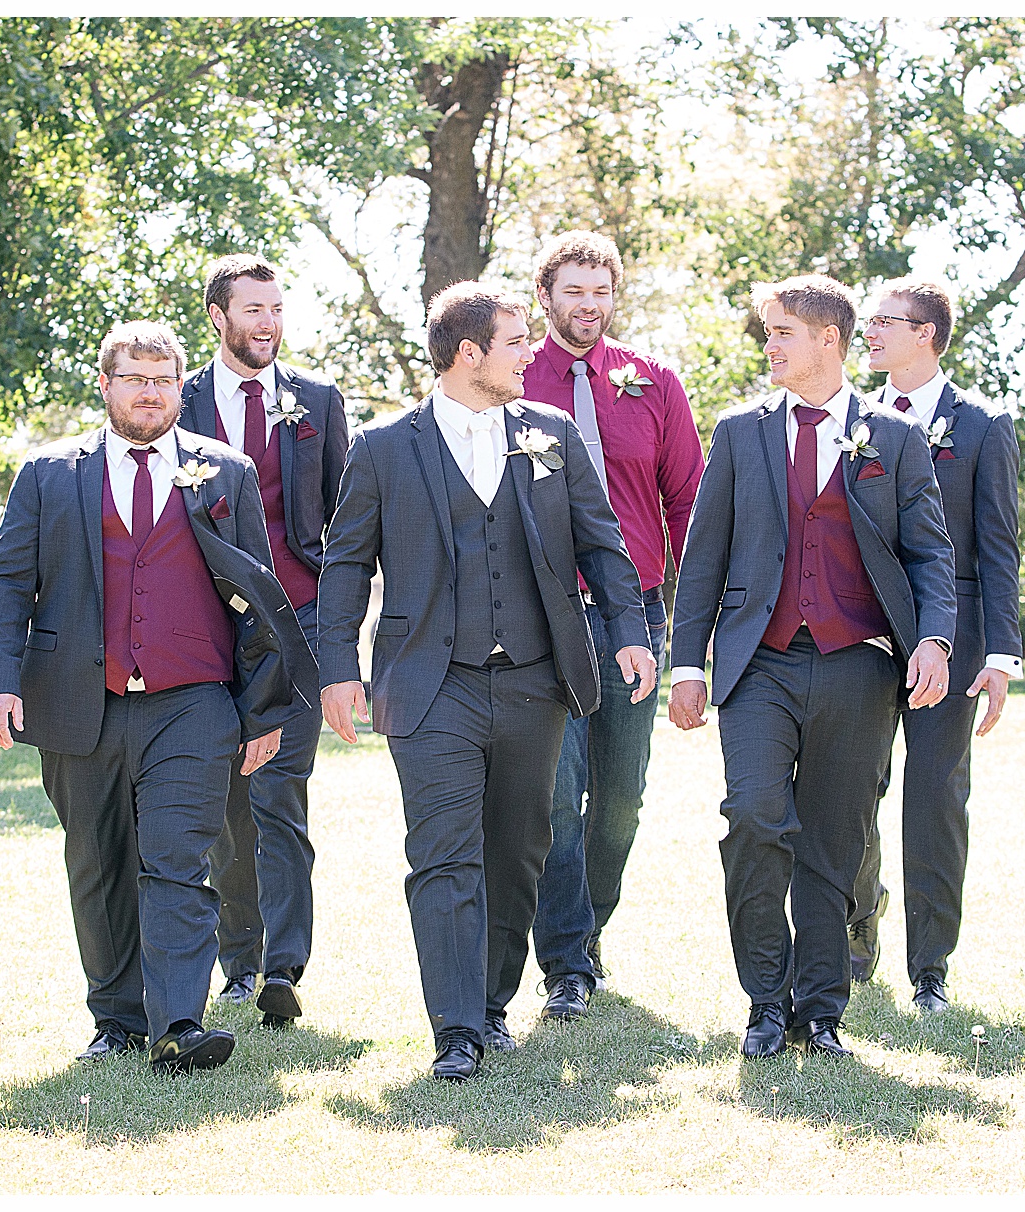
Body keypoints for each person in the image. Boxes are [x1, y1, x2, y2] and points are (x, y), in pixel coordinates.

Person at [316, 283, 654, 1081]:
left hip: (535, 682)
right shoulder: (384, 445)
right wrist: (336, 668)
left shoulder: (553, 434)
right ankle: (456, 1029)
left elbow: (603, 544)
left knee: (518, 847)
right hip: (430, 684)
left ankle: (494, 1004)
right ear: (469, 355)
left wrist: (630, 634)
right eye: (515, 341)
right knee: (442, 854)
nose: (530, 352)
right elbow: (344, 566)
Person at [0, 320, 316, 1073]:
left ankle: (178, 1024)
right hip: (78, 701)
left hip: (193, 703)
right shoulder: (49, 473)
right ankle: (116, 1018)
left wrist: (264, 709)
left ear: (178, 387)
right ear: (106, 385)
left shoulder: (222, 472)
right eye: (134, 378)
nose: (151, 392)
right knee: (96, 862)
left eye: (163, 379)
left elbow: (260, 598)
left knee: (178, 860)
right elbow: (4, 585)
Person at [668, 274, 957, 1058]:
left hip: (857, 666)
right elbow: (702, 560)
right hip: (758, 665)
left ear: (828, 339)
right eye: (768, 332)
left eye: (781, 332)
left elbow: (931, 552)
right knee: (756, 818)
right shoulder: (739, 432)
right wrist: (686, 665)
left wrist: (934, 639)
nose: (770, 346)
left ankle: (820, 1010)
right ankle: (766, 1001)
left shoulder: (892, 439)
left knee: (836, 837)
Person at [522, 231, 704, 1020]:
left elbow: (687, 501)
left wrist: (692, 616)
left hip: (636, 617)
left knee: (622, 794)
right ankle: (565, 959)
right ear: (546, 296)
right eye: (574, 291)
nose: (588, 305)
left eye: (601, 291)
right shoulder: (512, 376)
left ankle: (589, 927)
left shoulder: (653, 383)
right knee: (557, 796)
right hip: (541, 619)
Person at [177, 255, 349, 1028]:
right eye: (253, 310)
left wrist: (341, 633)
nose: (268, 323)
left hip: (299, 622)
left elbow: (346, 523)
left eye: (276, 308)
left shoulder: (316, 401)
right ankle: (236, 961)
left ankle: (283, 966)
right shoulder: (172, 402)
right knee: (223, 801)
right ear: (218, 316)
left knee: (281, 789)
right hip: (206, 628)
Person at [846, 279, 1022, 1012]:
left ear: (926, 334)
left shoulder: (983, 425)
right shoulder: (849, 418)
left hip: (957, 639)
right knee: (850, 787)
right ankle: (857, 924)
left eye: (885, 321)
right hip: (861, 632)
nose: (870, 333)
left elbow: (1000, 546)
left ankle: (930, 970)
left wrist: (1002, 657)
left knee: (935, 798)